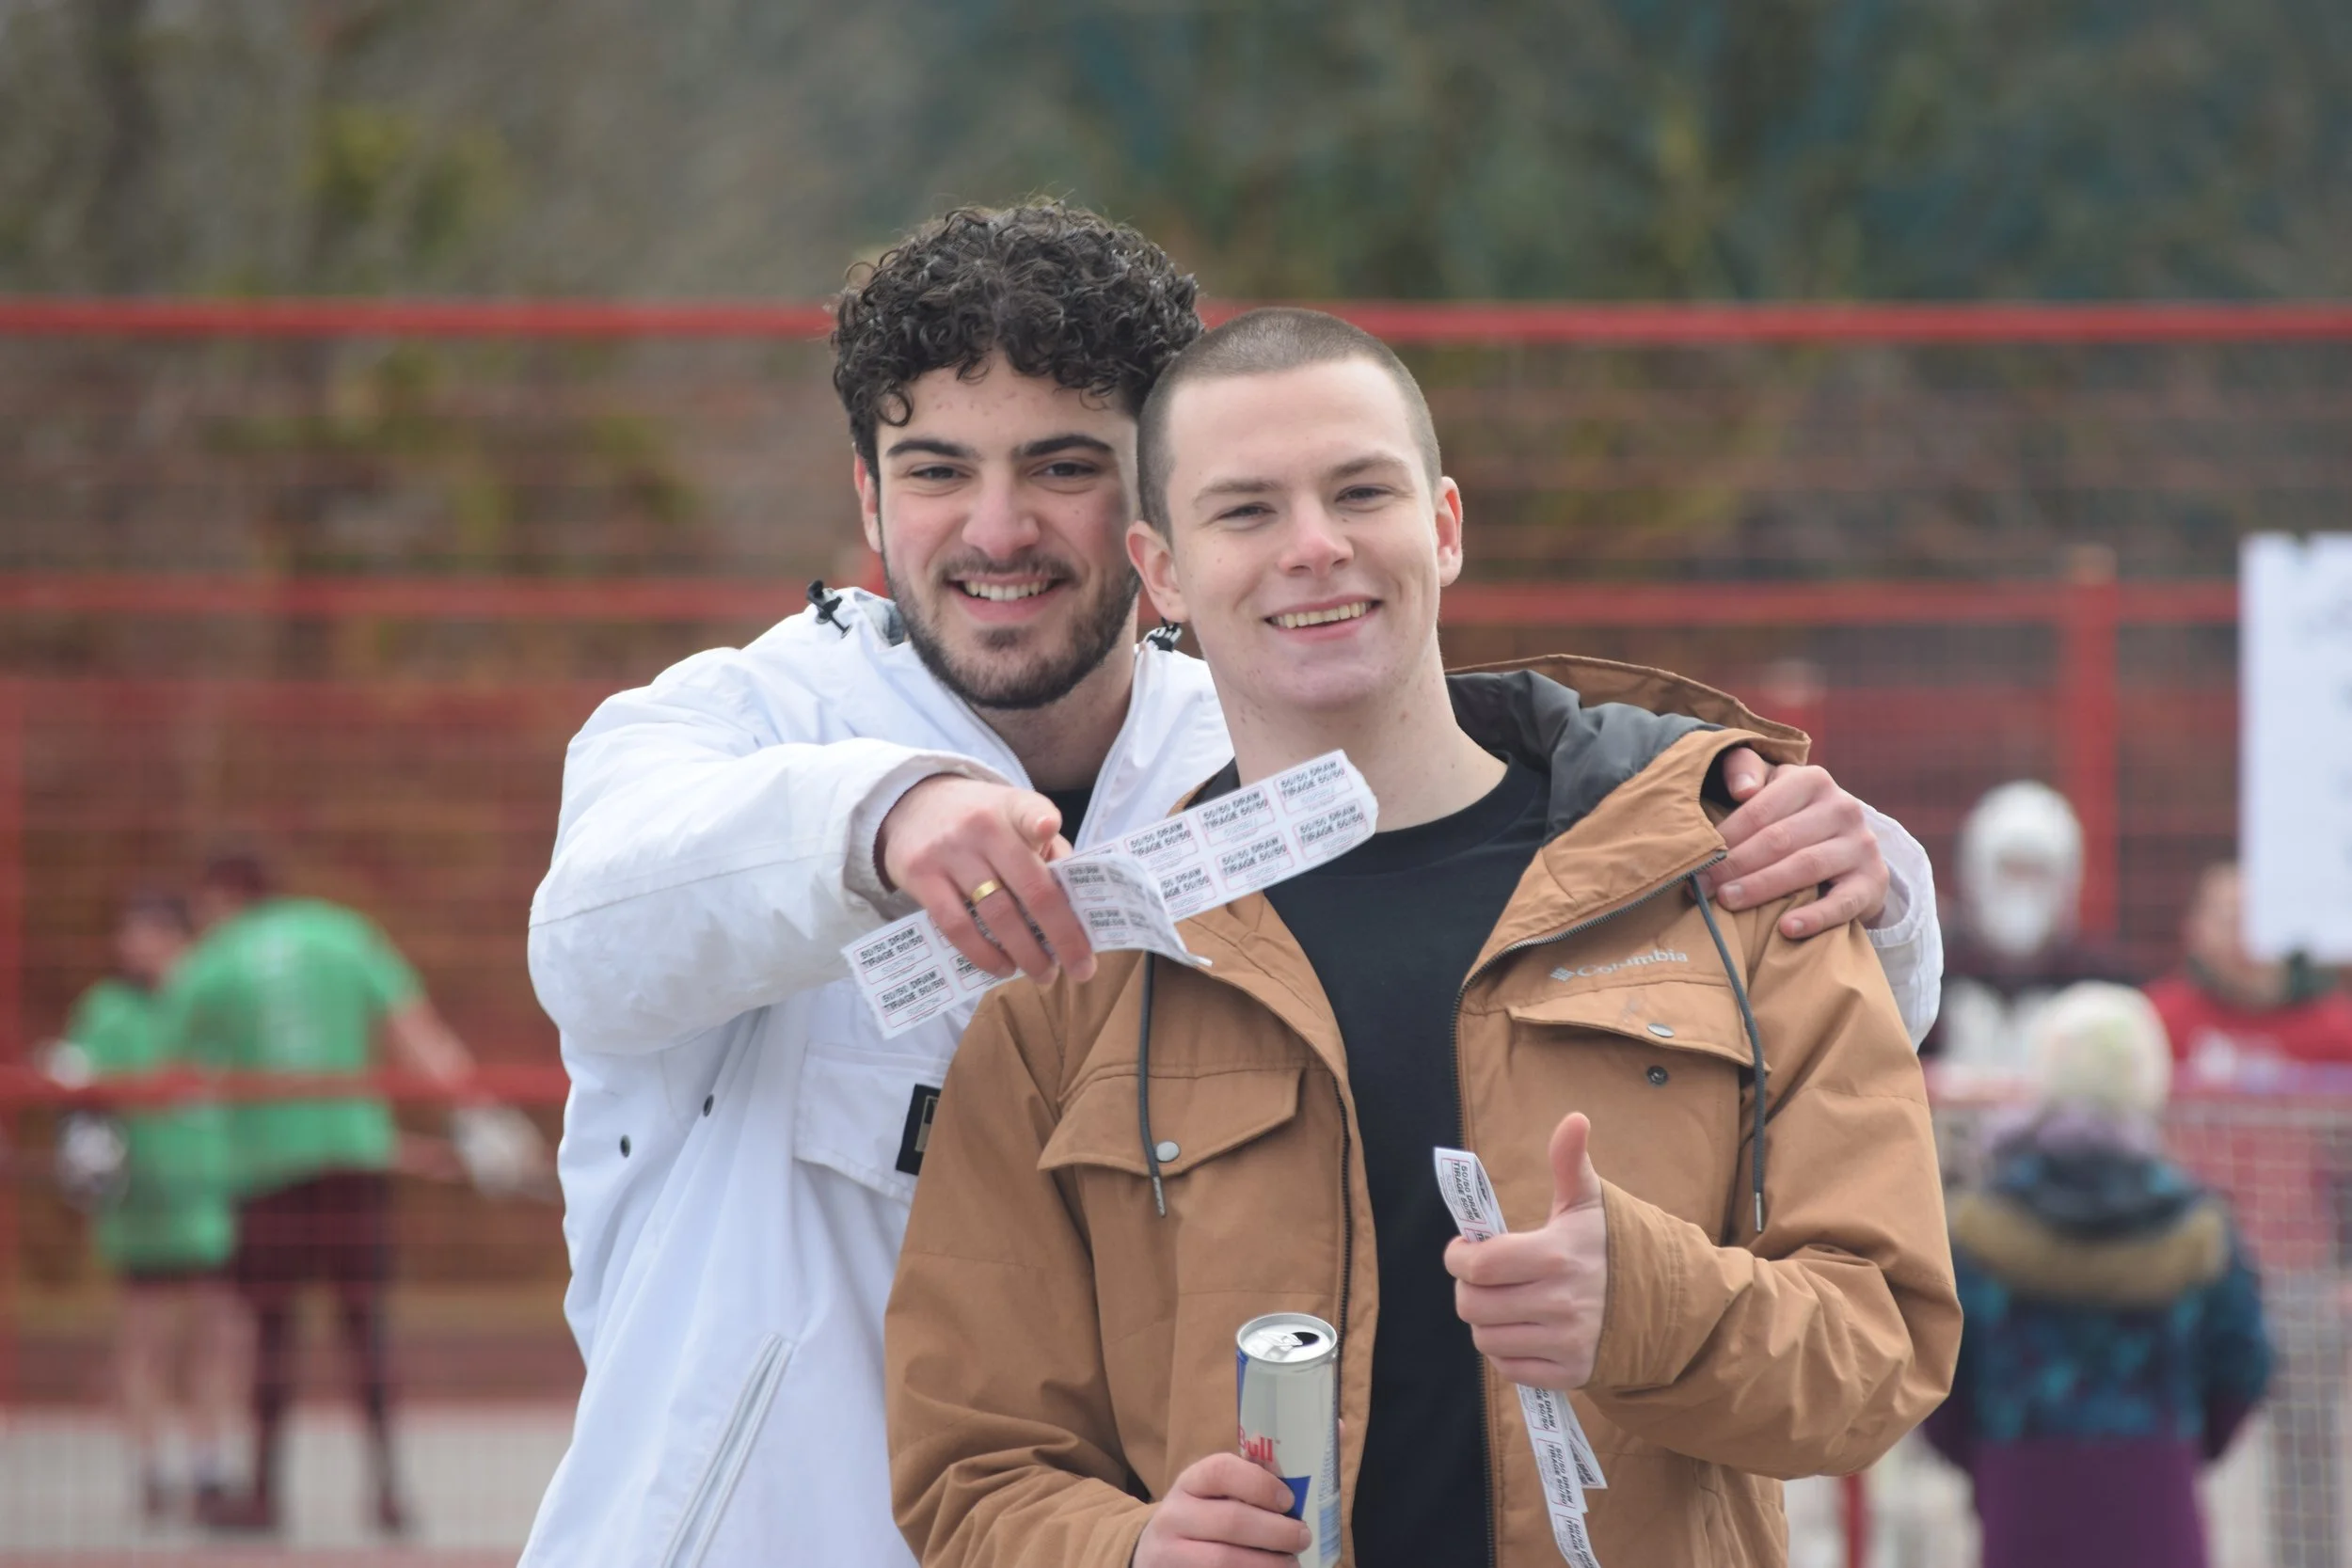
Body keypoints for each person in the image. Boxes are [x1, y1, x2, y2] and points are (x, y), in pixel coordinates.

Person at [519, 202, 1947, 1567]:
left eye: (1065, 465)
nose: (999, 527)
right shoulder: (724, 731)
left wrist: (1868, 873)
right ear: (867, 495)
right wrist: (878, 818)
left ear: (1149, 534)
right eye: (940, 469)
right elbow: (595, 936)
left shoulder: (1246, 748)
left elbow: (1583, 845)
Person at [885, 308, 1959, 1567]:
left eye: (1361, 492)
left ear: (1444, 526)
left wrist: (1651, 1307)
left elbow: (1887, 1345)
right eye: (1245, 511)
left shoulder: (1740, 878)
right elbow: (972, 1460)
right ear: (1160, 571)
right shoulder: (1076, 979)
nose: (1316, 547)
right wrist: (1124, 1552)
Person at [167, 851, 503, 1535]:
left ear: (220, 896)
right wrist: (476, 1112)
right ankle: (387, 1491)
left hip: (267, 1171)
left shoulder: (213, 961)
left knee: (271, 1334)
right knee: (367, 1328)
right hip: (356, 1160)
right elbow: (417, 1034)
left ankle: (264, 1494)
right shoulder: (345, 934)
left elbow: (176, 1072)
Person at [1925, 982, 2272, 1568]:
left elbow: (1940, 1366)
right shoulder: (2199, 1222)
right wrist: (2187, 1446)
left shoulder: (1979, 1224)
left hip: (2020, 1492)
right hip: (2158, 1484)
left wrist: (1984, 1457)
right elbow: (2242, 1359)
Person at [2148, 862, 2352, 1568]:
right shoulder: (2159, 1019)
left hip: (2299, 1274)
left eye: (2254, 918)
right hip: (2188, 1273)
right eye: (2225, 916)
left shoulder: (2335, 1028)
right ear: (2194, 929)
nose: (2243, 936)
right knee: (2175, 1443)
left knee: (2310, 1457)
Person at [50, 890, 242, 1523]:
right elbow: (80, 1098)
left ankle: (209, 1463)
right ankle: (149, 1466)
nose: (140, 946)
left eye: (154, 933)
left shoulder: (212, 1005)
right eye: (131, 933)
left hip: (210, 1192)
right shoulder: (105, 1010)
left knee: (218, 1331)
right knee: (147, 1335)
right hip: (142, 1199)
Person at [1929, 780, 2137, 1069]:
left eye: (2037, 872)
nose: (2023, 889)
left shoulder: (2102, 981)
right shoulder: (1933, 971)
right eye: (2011, 870)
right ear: (1977, 871)